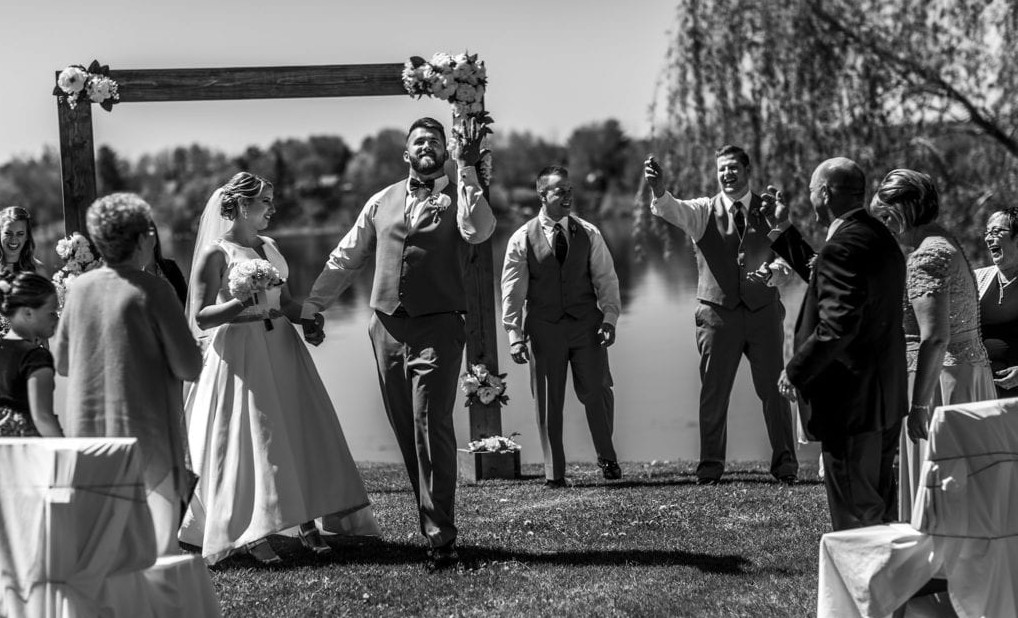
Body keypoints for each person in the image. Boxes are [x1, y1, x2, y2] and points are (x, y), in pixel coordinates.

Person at [301, 117, 495, 570]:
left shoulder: (462, 194)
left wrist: (467, 172)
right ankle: (433, 525)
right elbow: (347, 256)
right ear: (406, 153)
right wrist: (314, 304)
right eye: (418, 141)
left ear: (446, 150)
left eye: (434, 140)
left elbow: (479, 230)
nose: (427, 145)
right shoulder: (381, 200)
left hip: (439, 328)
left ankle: (441, 538)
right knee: (408, 432)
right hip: (386, 328)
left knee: (432, 425)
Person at [180, 172, 379, 566]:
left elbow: (284, 302)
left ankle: (306, 520)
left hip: (282, 346)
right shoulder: (216, 254)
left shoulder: (270, 247)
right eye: (265, 201)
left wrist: (308, 321)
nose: (273, 207)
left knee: (298, 430)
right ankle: (253, 531)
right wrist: (243, 302)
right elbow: (202, 317)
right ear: (239, 206)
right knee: (257, 438)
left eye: (272, 200)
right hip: (241, 352)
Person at [763, 157, 907, 530]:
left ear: (825, 193)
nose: (810, 196)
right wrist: (783, 230)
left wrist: (795, 371)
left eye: (812, 189)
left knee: (856, 516)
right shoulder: (878, 237)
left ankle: (865, 587)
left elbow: (838, 324)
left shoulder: (841, 247)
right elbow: (824, 274)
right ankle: (897, 584)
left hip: (850, 403)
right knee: (881, 503)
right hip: (884, 395)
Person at [54, 193, 203, 555]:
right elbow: (190, 367)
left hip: (90, 443)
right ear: (142, 239)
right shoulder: (154, 289)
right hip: (146, 442)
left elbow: (61, 363)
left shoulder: (79, 290)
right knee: (153, 557)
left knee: (105, 556)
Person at [644, 147, 798, 485]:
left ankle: (785, 465)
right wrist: (658, 189)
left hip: (763, 313)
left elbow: (789, 258)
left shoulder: (769, 209)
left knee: (775, 391)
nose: (727, 174)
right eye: (721, 169)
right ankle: (710, 467)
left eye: (732, 168)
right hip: (717, 316)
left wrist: (773, 273)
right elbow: (673, 210)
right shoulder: (703, 211)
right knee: (714, 392)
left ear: (747, 169)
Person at [868, 169, 994, 522]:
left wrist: (920, 405)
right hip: (968, 374)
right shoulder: (945, 241)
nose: (885, 225)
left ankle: (938, 566)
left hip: (942, 385)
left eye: (887, 215)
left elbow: (935, 336)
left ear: (908, 207)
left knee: (942, 482)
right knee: (968, 483)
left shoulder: (926, 256)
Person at [501, 165, 622, 486]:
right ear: (542, 195)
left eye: (570, 189)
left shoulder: (589, 233)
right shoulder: (521, 239)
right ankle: (555, 473)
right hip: (544, 328)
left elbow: (606, 279)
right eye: (560, 191)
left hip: (587, 327)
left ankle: (607, 456)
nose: (568, 195)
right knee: (548, 402)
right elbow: (512, 291)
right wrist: (514, 335)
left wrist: (609, 317)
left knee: (598, 390)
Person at [0, 271, 63, 438]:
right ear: (28, 313)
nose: (57, 319)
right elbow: (42, 417)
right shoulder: (35, 357)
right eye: (52, 312)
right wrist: (66, 452)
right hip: (27, 450)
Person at [975, 207, 1018, 398]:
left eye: (996, 231)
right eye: (987, 232)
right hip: (981, 393)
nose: (988, 238)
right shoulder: (976, 279)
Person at [0, 206, 46, 335]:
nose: (13, 240)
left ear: (27, 236)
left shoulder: (37, 270)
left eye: (20, 234)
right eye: (8, 233)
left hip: (29, 349)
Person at [145, 219, 188, 304]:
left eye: (151, 231)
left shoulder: (171, 266)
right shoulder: (134, 273)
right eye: (144, 233)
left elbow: (186, 301)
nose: (150, 235)